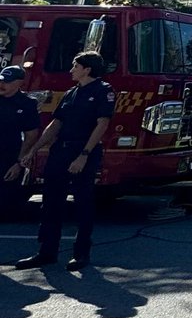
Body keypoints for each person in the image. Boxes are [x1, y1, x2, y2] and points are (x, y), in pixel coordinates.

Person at [15, 51, 114, 270]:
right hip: (61, 151)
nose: (71, 70)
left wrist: (84, 155)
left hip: (83, 151)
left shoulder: (102, 91)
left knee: (82, 202)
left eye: (74, 66)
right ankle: (46, 252)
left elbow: (102, 124)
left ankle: (81, 254)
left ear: (86, 69)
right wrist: (35, 149)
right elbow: (56, 124)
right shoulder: (71, 93)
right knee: (50, 202)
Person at [0, 65, 41, 218]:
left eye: (7, 82)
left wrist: (19, 163)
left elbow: (31, 135)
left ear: (19, 83)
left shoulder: (26, 104)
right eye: (1, 81)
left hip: (8, 158)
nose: (2, 85)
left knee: (5, 207)